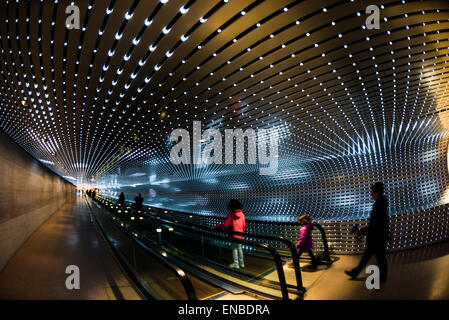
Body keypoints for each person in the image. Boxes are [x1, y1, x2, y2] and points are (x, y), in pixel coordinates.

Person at [345, 182, 389, 282]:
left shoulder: (379, 205)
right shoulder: (380, 203)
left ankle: (382, 277)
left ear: (377, 192)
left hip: (377, 237)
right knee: (373, 257)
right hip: (378, 236)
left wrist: (361, 232)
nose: (371, 194)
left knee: (379, 258)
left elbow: (376, 224)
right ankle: (356, 272)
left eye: (373, 192)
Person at [212, 200, 246, 269]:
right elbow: (243, 225)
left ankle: (236, 265)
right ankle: (242, 264)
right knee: (240, 249)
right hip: (240, 234)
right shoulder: (242, 214)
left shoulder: (231, 214)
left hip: (233, 234)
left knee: (234, 249)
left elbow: (225, 225)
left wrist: (216, 226)